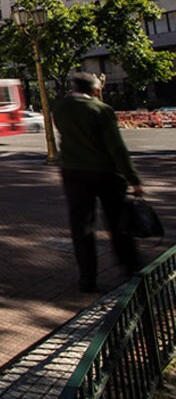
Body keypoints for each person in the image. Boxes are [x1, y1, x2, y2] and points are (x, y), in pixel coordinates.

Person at [52, 72, 143, 293]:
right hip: (105, 173)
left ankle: (87, 277)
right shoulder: (101, 110)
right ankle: (130, 269)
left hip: (73, 173)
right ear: (95, 89)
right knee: (118, 223)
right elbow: (116, 148)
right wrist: (133, 179)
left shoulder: (60, 108)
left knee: (81, 226)